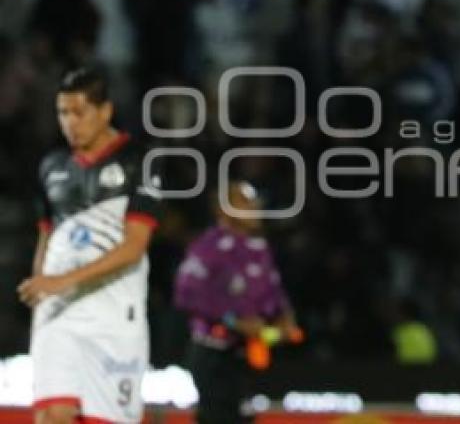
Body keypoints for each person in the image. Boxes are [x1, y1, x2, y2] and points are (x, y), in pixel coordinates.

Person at [18, 67, 162, 424]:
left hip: (112, 316)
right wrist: (42, 283)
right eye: (62, 113)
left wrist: (61, 281)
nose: (70, 123)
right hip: (58, 314)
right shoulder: (51, 167)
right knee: (52, 415)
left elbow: (134, 247)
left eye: (78, 113)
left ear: (105, 111)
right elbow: (47, 236)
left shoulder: (140, 162)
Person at [174, 181, 300, 424]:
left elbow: (272, 294)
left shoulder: (258, 248)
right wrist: (233, 320)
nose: (254, 208)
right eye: (245, 202)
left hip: (248, 353)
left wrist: (285, 317)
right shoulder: (208, 246)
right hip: (212, 353)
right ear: (223, 209)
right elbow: (186, 294)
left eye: (254, 202)